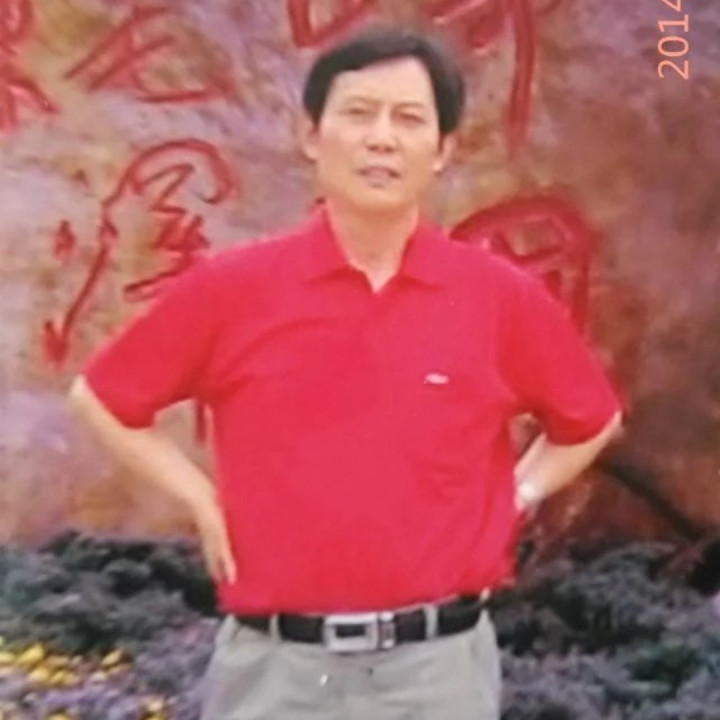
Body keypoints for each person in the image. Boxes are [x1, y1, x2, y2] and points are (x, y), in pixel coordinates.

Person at [69, 25, 622, 720]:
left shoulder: (495, 297)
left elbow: (590, 419)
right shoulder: (233, 290)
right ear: (312, 134)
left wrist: (516, 494)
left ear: (443, 149)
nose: (381, 139)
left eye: (408, 119)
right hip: (276, 672)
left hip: (436, 672)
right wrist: (200, 499)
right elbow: (103, 399)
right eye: (359, 114)